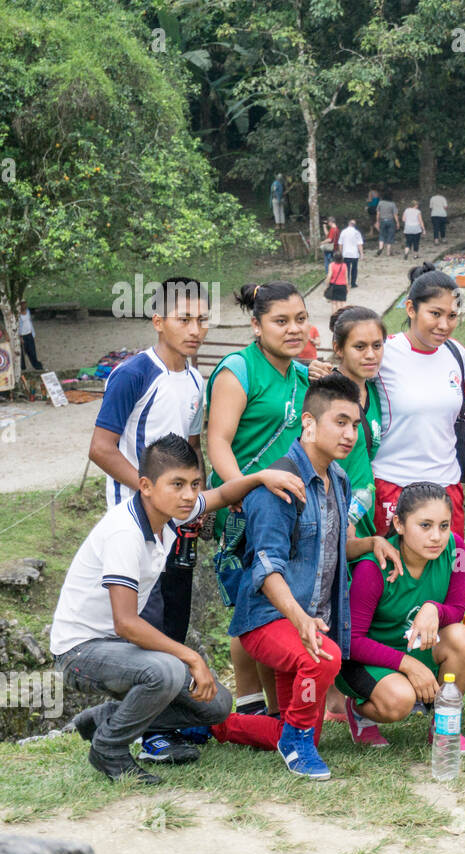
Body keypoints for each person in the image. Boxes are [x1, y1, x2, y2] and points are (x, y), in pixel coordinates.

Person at [54, 435, 304, 783]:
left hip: (118, 648)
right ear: (145, 486)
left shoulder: (168, 515)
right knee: (168, 671)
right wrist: (192, 657)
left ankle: (108, 718)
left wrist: (261, 477)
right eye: (177, 485)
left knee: (215, 705)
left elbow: (221, 496)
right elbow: (125, 623)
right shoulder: (125, 532)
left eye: (194, 483)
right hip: (80, 652)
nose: (189, 495)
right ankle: (109, 748)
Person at [210, 374, 398, 780]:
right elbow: (266, 568)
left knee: (304, 728)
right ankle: (294, 743)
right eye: (341, 422)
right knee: (324, 656)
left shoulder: (340, 480)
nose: (351, 434)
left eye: (356, 425)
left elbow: (329, 548)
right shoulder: (279, 485)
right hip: (269, 618)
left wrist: (371, 544)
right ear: (309, 424)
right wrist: (301, 621)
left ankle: (211, 727)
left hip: (306, 619)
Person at [89, 277, 210, 762]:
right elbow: (101, 447)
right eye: (184, 319)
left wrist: (193, 501)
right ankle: (143, 733)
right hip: (136, 524)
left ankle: (164, 721)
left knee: (175, 619)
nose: (195, 328)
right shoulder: (134, 374)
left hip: (179, 523)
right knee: (145, 621)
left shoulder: (197, 380)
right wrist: (151, 497)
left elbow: (191, 451)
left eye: (202, 319)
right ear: (158, 320)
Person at [206, 282, 312, 716]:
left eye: (300, 320)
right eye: (281, 321)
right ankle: (251, 703)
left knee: (277, 597)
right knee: (251, 598)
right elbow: (218, 441)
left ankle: (276, 707)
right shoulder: (238, 369)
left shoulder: (302, 374)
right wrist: (241, 491)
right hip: (245, 503)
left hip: (287, 503)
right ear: (256, 325)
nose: (293, 329)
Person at [337, 482, 465, 752]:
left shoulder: (456, 548)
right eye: (425, 526)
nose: (437, 537)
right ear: (399, 525)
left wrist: (432, 608)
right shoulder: (373, 566)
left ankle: (443, 727)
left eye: (444, 525)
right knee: (399, 701)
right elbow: (352, 641)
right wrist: (408, 665)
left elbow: (455, 610)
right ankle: (360, 710)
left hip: (413, 647)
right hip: (366, 658)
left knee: (464, 638)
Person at [371, 264, 465, 539]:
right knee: (393, 575)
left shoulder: (457, 354)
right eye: (435, 314)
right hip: (394, 485)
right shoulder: (383, 353)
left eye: (452, 316)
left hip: (446, 486)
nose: (444, 324)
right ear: (411, 309)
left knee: (446, 575)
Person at [16, 300, 43, 371]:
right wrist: (20, 337)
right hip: (22, 335)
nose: (24, 305)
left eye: (25, 303)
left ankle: (37, 366)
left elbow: (29, 321)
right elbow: (16, 326)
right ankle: (22, 368)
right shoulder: (17, 314)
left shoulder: (28, 311)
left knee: (32, 351)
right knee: (21, 353)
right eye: (23, 304)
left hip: (29, 334)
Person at [339, 219, 364, 288]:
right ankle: (353, 283)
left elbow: (340, 244)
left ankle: (346, 282)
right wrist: (361, 253)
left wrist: (340, 253)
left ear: (348, 224)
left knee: (346, 269)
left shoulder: (343, 232)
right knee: (354, 269)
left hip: (346, 253)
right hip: (354, 254)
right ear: (354, 225)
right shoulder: (357, 232)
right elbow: (359, 244)